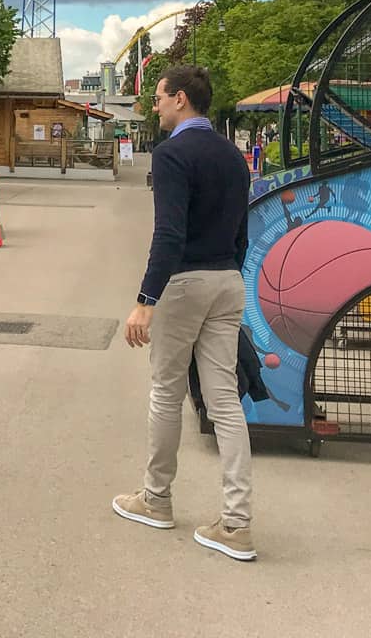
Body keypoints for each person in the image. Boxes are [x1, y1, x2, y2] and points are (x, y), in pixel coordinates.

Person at [113, 65, 256, 562]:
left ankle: (156, 499)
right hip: (228, 281)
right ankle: (236, 523)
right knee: (224, 402)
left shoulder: (173, 154)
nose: (155, 106)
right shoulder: (235, 157)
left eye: (158, 98)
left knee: (166, 392)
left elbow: (169, 234)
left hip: (186, 282)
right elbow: (242, 231)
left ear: (179, 100)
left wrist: (145, 301)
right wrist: (228, 273)